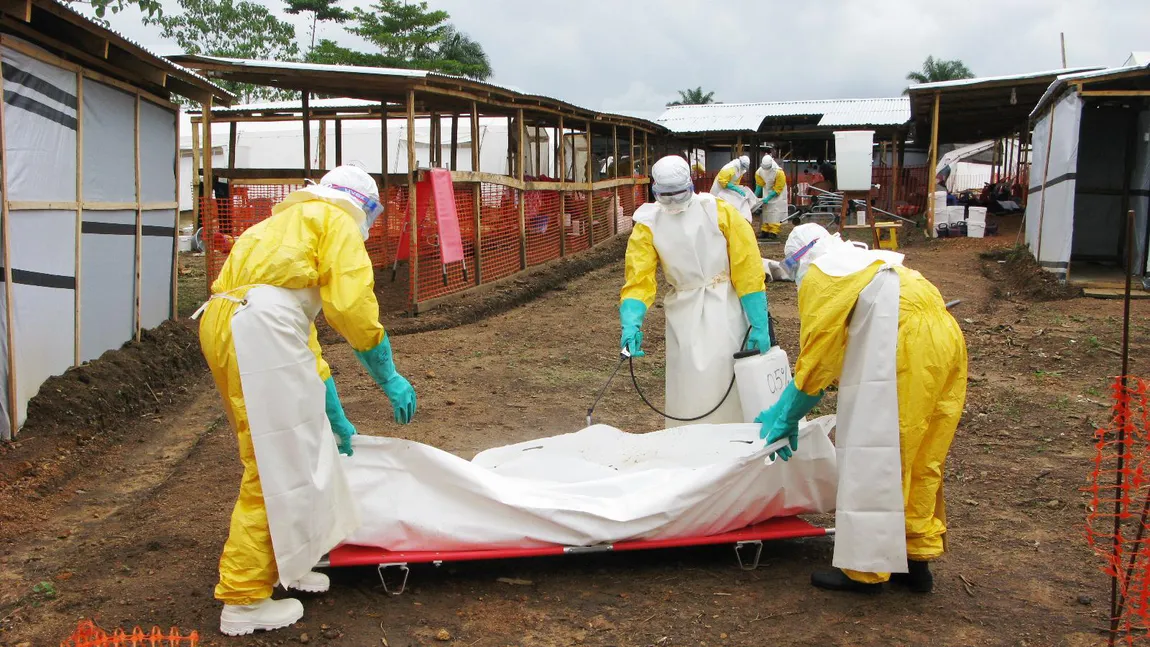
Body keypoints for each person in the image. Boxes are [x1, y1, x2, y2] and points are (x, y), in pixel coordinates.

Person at [196, 165, 418, 635]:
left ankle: (289, 563)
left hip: (227, 323)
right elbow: (353, 307)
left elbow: (305, 348)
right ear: (364, 207)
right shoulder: (336, 222)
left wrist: (334, 417)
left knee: (280, 450)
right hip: (261, 332)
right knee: (275, 462)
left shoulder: (277, 226)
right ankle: (243, 600)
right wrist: (389, 376)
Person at [757, 223, 966, 594]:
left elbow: (819, 356)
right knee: (920, 456)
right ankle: (916, 560)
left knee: (878, 452)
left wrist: (788, 413)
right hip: (944, 340)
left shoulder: (823, 274)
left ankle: (866, 570)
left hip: (903, 349)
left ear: (799, 261)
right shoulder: (864, 260)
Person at [620, 155, 770, 426]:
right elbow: (638, 278)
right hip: (684, 312)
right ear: (654, 191)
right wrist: (631, 321)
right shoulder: (648, 224)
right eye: (666, 197)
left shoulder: (719, 211)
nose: (674, 203)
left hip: (726, 305)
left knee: (726, 374)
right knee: (689, 381)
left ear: (691, 184)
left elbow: (747, 266)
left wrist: (759, 322)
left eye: (679, 195)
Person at [755, 155, 788, 240]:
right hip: (767, 191)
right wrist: (754, 196)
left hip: (778, 195)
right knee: (766, 211)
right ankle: (764, 230)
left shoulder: (779, 172)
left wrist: (769, 197)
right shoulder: (759, 171)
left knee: (775, 212)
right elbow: (759, 184)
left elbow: (778, 188)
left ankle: (774, 231)